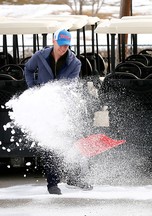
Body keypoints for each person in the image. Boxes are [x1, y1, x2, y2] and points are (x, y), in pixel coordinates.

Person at [24, 29, 92, 195]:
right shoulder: (40, 56)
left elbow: (69, 87)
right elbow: (28, 69)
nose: (63, 48)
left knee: (73, 142)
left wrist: (59, 99)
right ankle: (52, 184)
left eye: (66, 45)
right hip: (44, 107)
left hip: (64, 107)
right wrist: (33, 89)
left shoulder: (75, 63)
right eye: (61, 45)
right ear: (54, 42)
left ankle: (75, 178)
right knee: (51, 144)